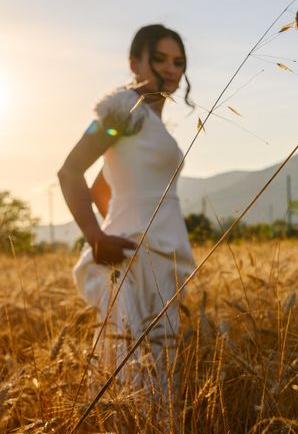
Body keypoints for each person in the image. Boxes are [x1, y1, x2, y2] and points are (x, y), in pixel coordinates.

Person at [57, 24, 196, 417]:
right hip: (130, 264)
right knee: (131, 378)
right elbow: (70, 172)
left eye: (179, 62)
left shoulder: (148, 120)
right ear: (135, 62)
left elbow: (104, 186)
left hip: (162, 258)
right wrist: (98, 236)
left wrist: (115, 218)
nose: (171, 70)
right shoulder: (123, 110)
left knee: (159, 371)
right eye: (160, 59)